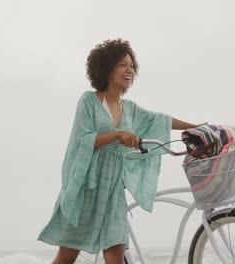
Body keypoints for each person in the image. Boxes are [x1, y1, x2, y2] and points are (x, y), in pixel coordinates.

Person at [37, 39, 202, 264]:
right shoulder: (89, 101)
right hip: (86, 187)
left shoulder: (130, 109)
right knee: (67, 256)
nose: (129, 70)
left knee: (115, 250)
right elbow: (83, 140)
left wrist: (196, 127)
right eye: (122, 64)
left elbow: (159, 120)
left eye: (132, 65)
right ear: (106, 67)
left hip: (113, 190)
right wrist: (117, 134)